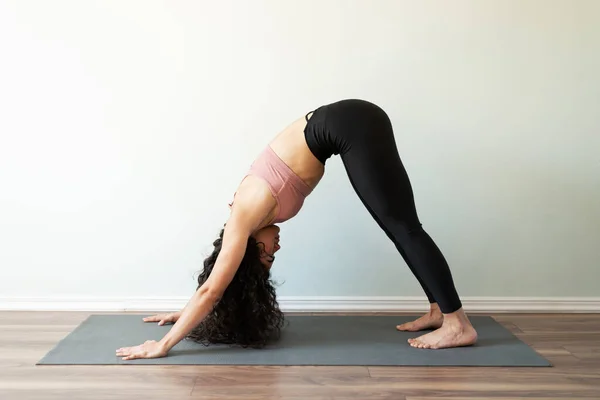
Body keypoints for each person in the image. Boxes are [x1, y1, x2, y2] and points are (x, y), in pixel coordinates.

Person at [115, 99, 478, 361]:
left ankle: (456, 323)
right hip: (351, 122)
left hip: (351, 123)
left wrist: (163, 346)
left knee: (403, 227)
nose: (276, 248)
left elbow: (212, 289)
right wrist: (186, 312)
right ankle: (438, 308)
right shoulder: (248, 222)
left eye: (268, 254)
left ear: (249, 249)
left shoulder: (244, 216)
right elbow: (217, 288)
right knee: (397, 226)